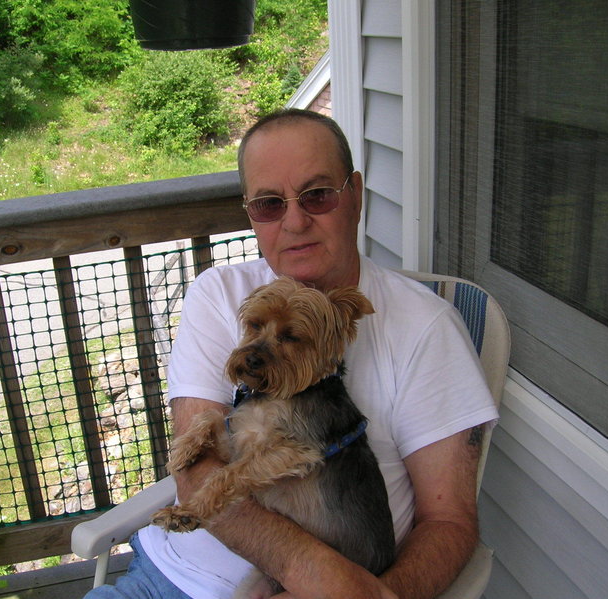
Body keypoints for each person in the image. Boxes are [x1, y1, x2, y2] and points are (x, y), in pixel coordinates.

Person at [86, 109, 498, 599]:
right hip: (168, 580)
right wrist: (305, 564)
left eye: (317, 195)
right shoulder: (219, 293)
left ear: (356, 196)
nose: (296, 221)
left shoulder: (426, 328)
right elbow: (196, 467)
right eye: (269, 204)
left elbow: (449, 522)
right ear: (250, 214)